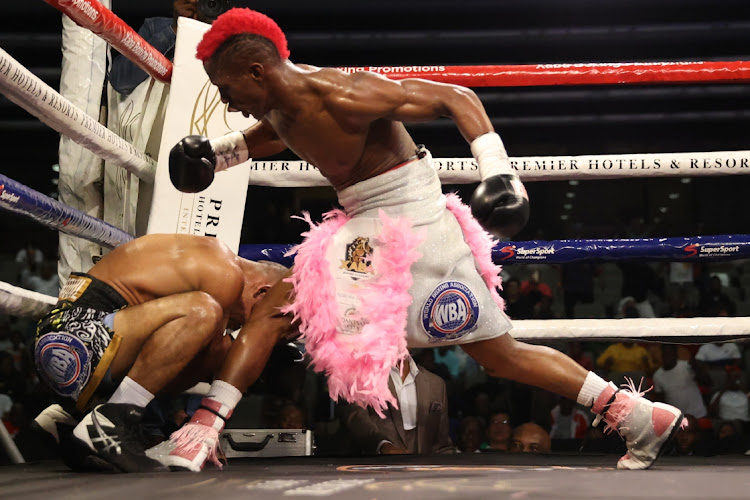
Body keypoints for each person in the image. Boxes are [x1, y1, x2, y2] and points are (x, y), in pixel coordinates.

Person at [162, 8, 683, 472]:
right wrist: (216, 153)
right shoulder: (279, 106)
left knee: (496, 353)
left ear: (257, 71)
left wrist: (499, 174)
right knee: (286, 312)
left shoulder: (346, 93)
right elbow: (273, 134)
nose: (229, 105)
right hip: (366, 225)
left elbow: (457, 97)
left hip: (413, 222)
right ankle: (634, 414)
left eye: (228, 90)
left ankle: (202, 429)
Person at [32, 233, 288, 472]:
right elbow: (208, 353)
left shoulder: (211, 261)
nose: (244, 328)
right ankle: (112, 420)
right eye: (256, 319)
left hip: (69, 345)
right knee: (205, 313)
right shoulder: (226, 273)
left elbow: (175, 355)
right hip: (76, 336)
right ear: (262, 292)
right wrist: (200, 430)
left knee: (217, 347)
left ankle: (73, 417)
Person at [336, 354, 453, 455]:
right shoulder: (360, 377)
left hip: (425, 476)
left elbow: (442, 445)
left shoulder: (436, 384)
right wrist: (382, 445)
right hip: (376, 471)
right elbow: (355, 416)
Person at [109, 0, 231, 95]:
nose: (210, 5)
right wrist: (175, 29)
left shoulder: (237, 40)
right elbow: (120, 80)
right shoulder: (155, 27)